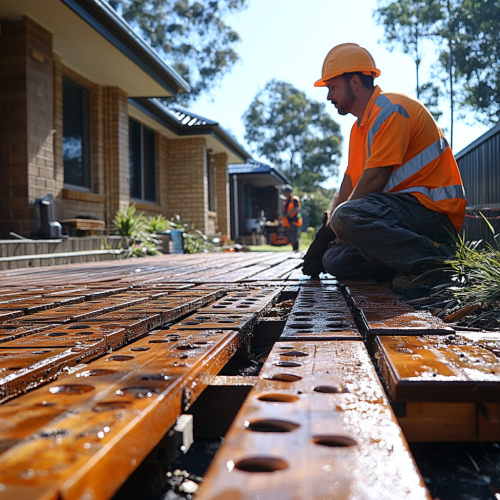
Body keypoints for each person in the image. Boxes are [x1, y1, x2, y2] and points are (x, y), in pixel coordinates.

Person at [302, 43, 465, 281]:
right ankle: (408, 269)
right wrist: (326, 235)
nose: (329, 97)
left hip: (434, 215)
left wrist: (333, 228)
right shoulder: (359, 128)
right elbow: (349, 183)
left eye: (333, 87)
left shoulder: (391, 110)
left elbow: (375, 179)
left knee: (344, 218)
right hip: (398, 215)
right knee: (333, 259)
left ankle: (437, 262)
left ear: (355, 82)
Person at [282, 185, 302, 251]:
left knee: (294, 235)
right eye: (286, 191)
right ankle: (294, 248)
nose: (287, 193)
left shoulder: (294, 199)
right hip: (288, 221)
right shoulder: (286, 201)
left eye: (288, 191)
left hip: (295, 220)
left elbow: (297, 208)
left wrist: (289, 213)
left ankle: (296, 249)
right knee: (290, 235)